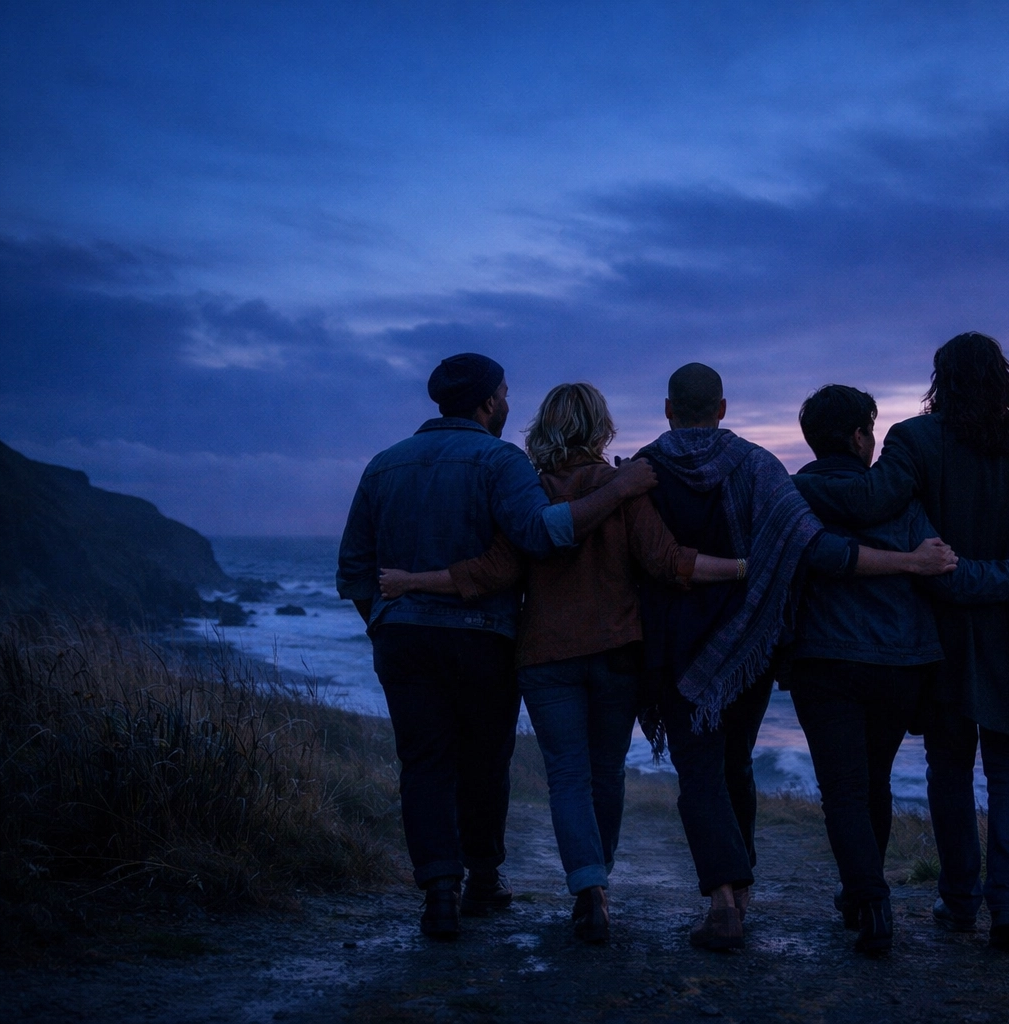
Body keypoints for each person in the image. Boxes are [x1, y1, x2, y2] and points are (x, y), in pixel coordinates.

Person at [376, 382, 743, 945]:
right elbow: (671, 564)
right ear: (601, 426)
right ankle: (600, 880)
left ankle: (588, 890)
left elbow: (492, 571)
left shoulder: (530, 491)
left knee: (567, 777)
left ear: (545, 426)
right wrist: (745, 569)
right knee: (606, 772)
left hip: (545, 657)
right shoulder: (624, 486)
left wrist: (411, 582)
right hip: (618, 652)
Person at [635, 363, 957, 951]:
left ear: (667, 409)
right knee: (735, 766)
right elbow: (817, 549)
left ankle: (724, 902)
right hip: (750, 643)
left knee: (701, 774)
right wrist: (910, 561)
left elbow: (638, 559)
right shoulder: (758, 466)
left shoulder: (643, 469)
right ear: (724, 408)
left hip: (675, 646)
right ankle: (748, 890)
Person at [336, 354, 657, 941]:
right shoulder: (498, 460)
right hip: (483, 637)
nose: (510, 405)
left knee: (425, 761)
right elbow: (541, 535)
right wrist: (622, 486)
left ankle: (439, 890)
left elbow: (354, 568)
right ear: (487, 403)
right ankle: (483, 879)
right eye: (505, 394)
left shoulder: (383, 466)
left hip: (404, 636)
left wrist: (385, 619)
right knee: (485, 761)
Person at [791, 333, 1009, 953]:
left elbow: (869, 497)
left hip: (946, 630)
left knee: (949, 768)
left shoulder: (914, 439)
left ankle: (959, 901)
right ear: (1007, 378)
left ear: (940, 380)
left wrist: (790, 486)